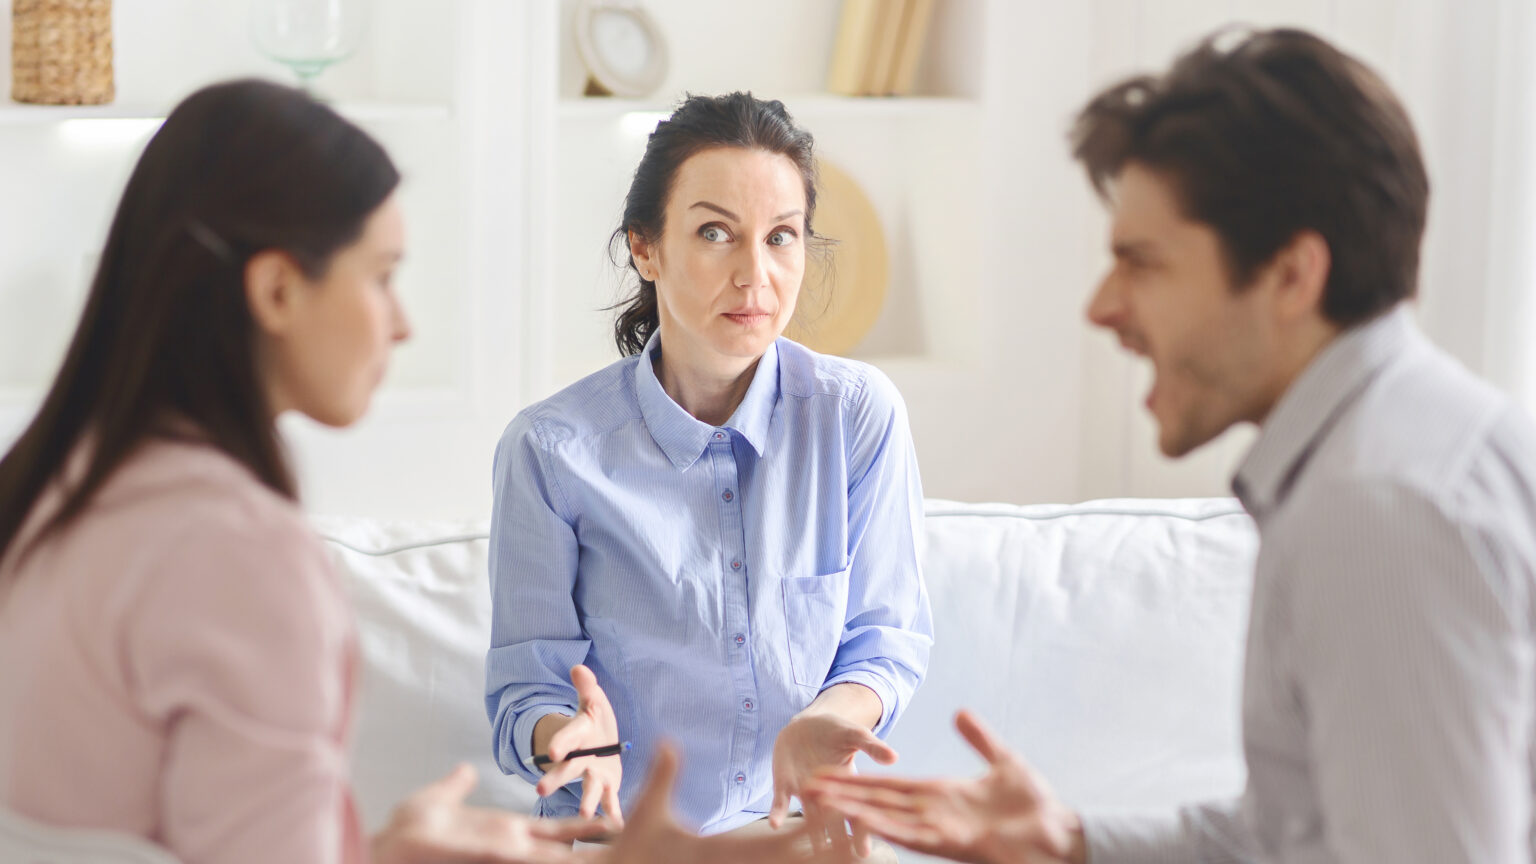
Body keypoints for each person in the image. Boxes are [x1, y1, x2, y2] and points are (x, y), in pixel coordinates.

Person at [807, 27, 1536, 864]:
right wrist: (1071, 841)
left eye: (1142, 264)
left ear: (1293, 276)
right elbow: (1289, 835)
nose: (1102, 307)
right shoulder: (1426, 438)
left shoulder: (1374, 511)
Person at [0, 79, 602, 864]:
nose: (402, 323)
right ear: (278, 289)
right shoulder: (242, 556)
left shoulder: (46, 488)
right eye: (382, 275)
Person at [485, 91, 933, 857]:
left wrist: (837, 715)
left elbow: (885, 639)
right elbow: (525, 687)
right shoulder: (550, 451)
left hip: (799, 840)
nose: (754, 274)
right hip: (626, 844)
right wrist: (565, 733)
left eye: (782, 237)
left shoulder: (856, 416)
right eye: (715, 232)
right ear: (646, 248)